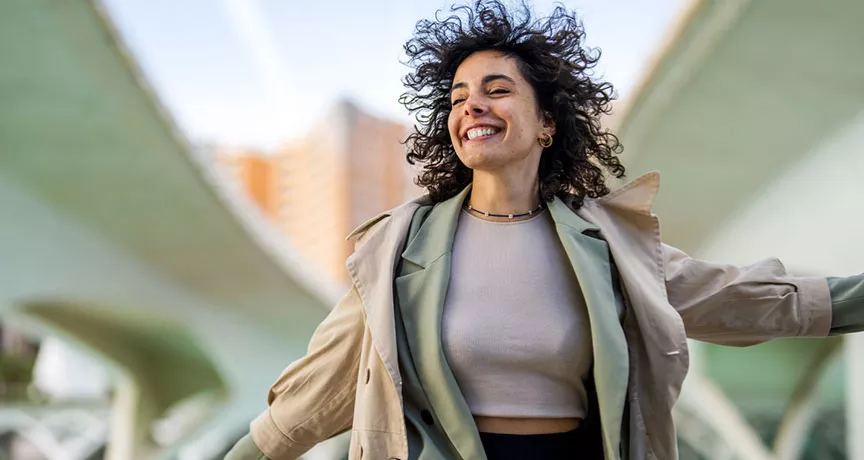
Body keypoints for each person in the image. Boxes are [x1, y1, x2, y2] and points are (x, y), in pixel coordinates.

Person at [225, 1, 864, 459]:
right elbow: (322, 381)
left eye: (497, 89)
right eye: (456, 97)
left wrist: (850, 301)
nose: (471, 104)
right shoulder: (400, 249)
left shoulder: (610, 245)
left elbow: (737, 296)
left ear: (547, 123)